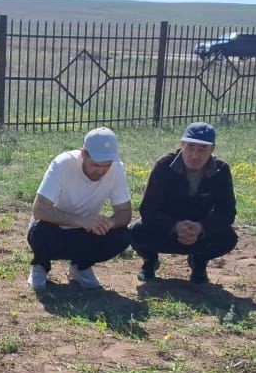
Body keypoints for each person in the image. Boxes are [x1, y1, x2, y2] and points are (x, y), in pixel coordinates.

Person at [129, 122, 238, 285]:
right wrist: (174, 226)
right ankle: (149, 261)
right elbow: (148, 209)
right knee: (135, 231)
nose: (195, 155)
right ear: (182, 145)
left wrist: (202, 227)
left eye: (202, 150)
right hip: (166, 230)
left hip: (199, 233)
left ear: (212, 149)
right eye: (190, 147)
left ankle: (199, 262)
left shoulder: (220, 169)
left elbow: (227, 212)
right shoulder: (163, 166)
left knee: (228, 237)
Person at [27, 127, 133, 291]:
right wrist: (80, 220)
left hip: (85, 232)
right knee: (39, 232)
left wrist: (109, 223)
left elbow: (124, 213)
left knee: (122, 235)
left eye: (107, 165)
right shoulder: (63, 163)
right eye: (95, 164)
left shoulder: (117, 168)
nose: (101, 170)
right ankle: (40, 266)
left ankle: (81, 266)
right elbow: (39, 210)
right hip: (54, 229)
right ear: (83, 154)